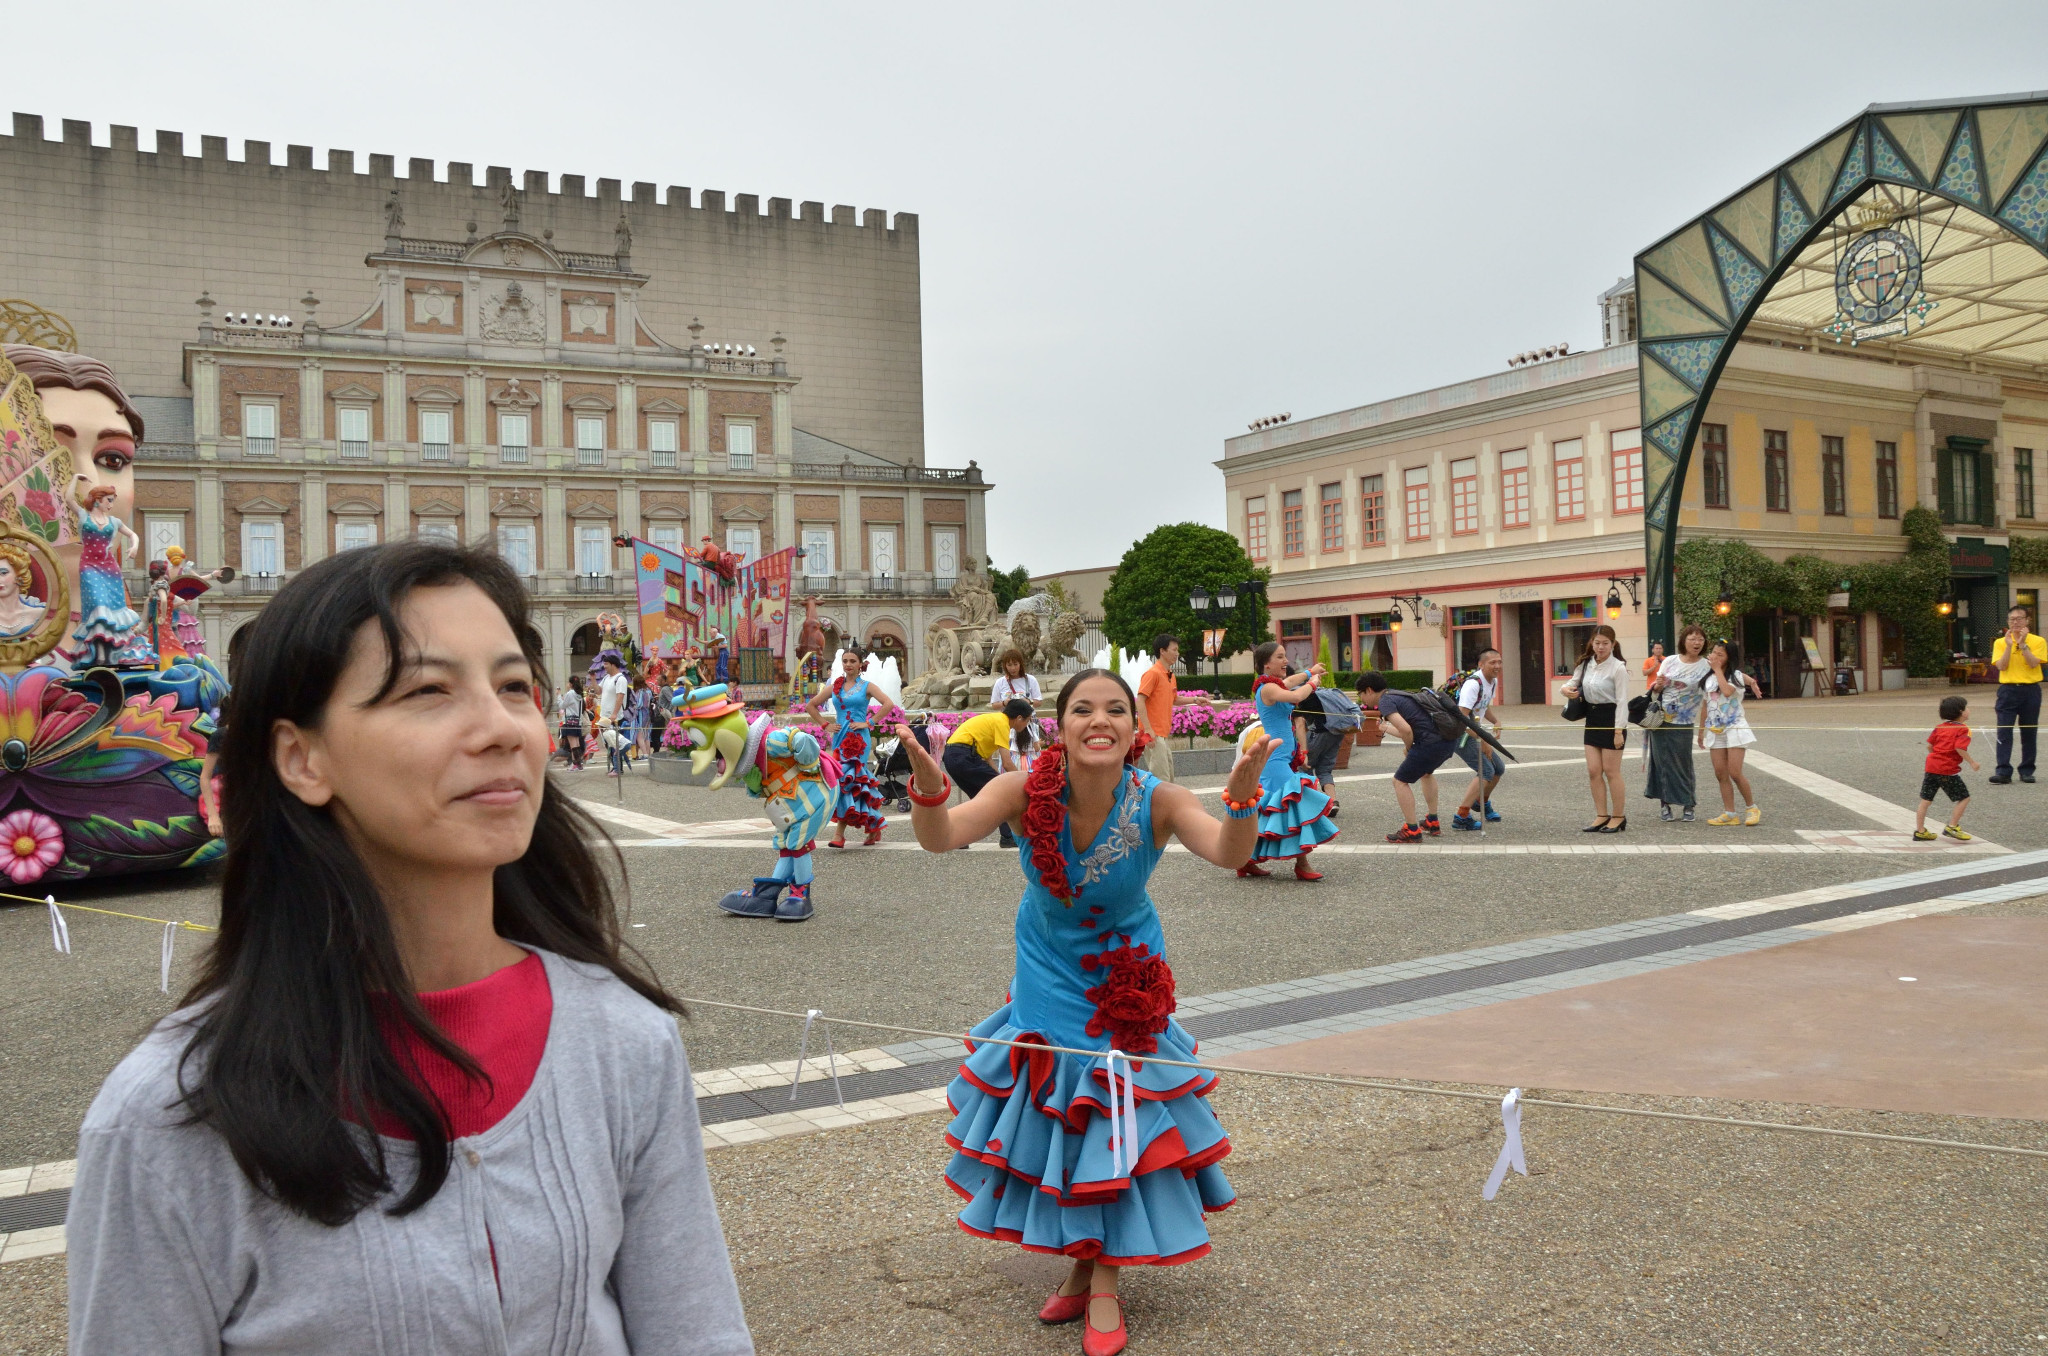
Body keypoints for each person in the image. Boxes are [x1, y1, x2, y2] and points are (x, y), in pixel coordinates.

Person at [68, 538, 751, 1354]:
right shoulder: (170, 1120)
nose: (502, 729)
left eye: (512, 687)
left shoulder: (625, 1041)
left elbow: (698, 1333)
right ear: (301, 757)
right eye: (428, 690)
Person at [897, 668, 1273, 1356]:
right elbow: (939, 837)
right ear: (1059, 725)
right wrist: (925, 786)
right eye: (1082, 710)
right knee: (1065, 1125)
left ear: (1136, 728)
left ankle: (1101, 1280)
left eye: (1114, 711)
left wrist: (1243, 799)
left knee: (1113, 1120)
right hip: (1047, 973)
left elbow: (1226, 852)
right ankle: (1082, 1259)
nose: (1099, 721)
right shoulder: (1019, 788)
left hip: (1125, 980)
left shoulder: (1158, 798)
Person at [1239, 641, 1338, 879]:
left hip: (1281, 756)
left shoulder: (1272, 684)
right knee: (1295, 802)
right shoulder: (1267, 689)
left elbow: (1292, 682)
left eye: (1285, 657)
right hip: (1274, 759)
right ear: (1267, 664)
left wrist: (1309, 672)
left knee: (1269, 810)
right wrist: (1312, 683)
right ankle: (1301, 864)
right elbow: (1296, 696)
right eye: (1280, 657)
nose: (1285, 661)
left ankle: (1246, 860)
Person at [807, 648, 901, 848]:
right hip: (839, 737)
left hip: (859, 738)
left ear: (861, 664)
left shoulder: (867, 686)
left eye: (852, 661)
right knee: (850, 781)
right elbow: (811, 706)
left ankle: (839, 833)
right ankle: (874, 827)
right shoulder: (835, 686)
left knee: (848, 781)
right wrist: (825, 725)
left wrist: (870, 723)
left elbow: (888, 703)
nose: (848, 664)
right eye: (845, 661)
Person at [1358, 670, 1459, 843]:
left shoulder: (1385, 701)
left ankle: (1412, 830)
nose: (1362, 701)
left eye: (1361, 696)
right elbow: (1413, 727)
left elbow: (1406, 730)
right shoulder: (1399, 694)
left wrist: (1408, 748)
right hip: (1448, 740)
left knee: (1400, 781)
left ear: (1368, 690)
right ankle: (1432, 821)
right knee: (1426, 773)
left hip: (1429, 744)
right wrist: (1386, 729)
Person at [1559, 623, 1630, 833]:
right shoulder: (1586, 663)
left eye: (1605, 644)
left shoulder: (1618, 667)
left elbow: (1623, 701)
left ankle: (1618, 816)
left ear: (1613, 644)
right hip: (1592, 717)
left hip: (1611, 718)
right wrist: (1566, 691)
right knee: (1593, 771)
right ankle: (1601, 814)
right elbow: (1570, 683)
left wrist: (1619, 731)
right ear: (1592, 643)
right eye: (1597, 643)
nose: (1600, 647)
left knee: (1611, 771)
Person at [70, 475, 143, 668]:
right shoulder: (84, 516)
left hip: (109, 568)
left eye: (113, 501)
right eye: (109, 500)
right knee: (98, 605)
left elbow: (132, 534)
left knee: (111, 611)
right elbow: (69, 499)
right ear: (97, 499)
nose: (111, 504)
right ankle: (99, 652)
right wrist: (75, 479)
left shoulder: (115, 522)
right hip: (89, 567)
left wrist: (134, 545)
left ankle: (111, 652)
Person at [944, 699, 1036, 849]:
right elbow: (1007, 763)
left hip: (955, 756)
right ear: (1019, 718)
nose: (1026, 725)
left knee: (980, 801)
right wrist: (1027, 780)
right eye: (1027, 721)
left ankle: (958, 838)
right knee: (1003, 794)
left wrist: (998, 779)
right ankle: (1007, 837)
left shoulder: (994, 720)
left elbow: (987, 759)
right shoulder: (1002, 723)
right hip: (964, 756)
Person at [1645, 624, 1711, 822]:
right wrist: (1657, 686)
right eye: (1692, 638)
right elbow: (1656, 691)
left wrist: (1701, 731)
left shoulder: (1706, 665)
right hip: (1660, 718)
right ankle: (1664, 804)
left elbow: (1708, 699)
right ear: (1683, 641)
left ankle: (1688, 803)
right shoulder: (1670, 661)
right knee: (1661, 763)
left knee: (1683, 763)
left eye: (1700, 639)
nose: (1696, 643)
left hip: (1684, 720)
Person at [1698, 638, 1764, 826]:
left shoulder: (1736, 676)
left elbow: (1727, 692)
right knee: (1720, 773)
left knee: (1735, 772)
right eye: (1714, 653)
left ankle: (1752, 807)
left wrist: (1718, 669)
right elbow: (1705, 705)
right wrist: (1701, 731)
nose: (1715, 657)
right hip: (1715, 728)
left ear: (1729, 657)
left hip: (1735, 727)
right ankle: (1730, 812)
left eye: (1721, 654)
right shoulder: (1708, 678)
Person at [1449, 649, 1507, 831]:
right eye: (1492, 663)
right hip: (1461, 734)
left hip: (1474, 731)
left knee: (1498, 768)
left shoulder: (1493, 682)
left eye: (1499, 662)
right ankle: (1461, 816)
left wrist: (1495, 720)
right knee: (1486, 772)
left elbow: (1483, 705)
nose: (1497, 666)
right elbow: (1462, 718)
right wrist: (1484, 740)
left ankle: (1481, 802)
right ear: (1481, 665)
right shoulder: (1473, 684)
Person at [1135, 634, 1203, 784]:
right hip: (1153, 733)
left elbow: (1175, 699)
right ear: (1162, 651)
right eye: (1174, 650)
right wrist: (1147, 729)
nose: (1177, 654)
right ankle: (1160, 807)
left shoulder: (1170, 676)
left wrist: (1196, 700)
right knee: (1161, 780)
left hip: (1162, 734)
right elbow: (1140, 700)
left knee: (1168, 778)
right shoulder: (1153, 674)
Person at [1989, 604, 2045, 785]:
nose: (2015, 623)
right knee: (2004, 730)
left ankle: (2027, 770)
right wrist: (2008, 646)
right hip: (2008, 689)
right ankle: (2003, 770)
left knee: (2029, 731)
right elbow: (2001, 666)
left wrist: (2022, 644)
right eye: (2012, 619)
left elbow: (2034, 663)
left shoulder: (2038, 641)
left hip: (2030, 689)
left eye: (2019, 619)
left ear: (2027, 621)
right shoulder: (2000, 642)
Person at [1916, 694, 1981, 841]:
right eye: (1966, 707)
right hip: (1947, 770)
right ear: (1961, 712)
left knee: (1926, 800)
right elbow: (1960, 747)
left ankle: (1920, 830)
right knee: (1964, 798)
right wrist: (1972, 762)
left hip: (1931, 767)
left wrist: (1937, 757)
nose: (1969, 710)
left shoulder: (1939, 728)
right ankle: (1952, 826)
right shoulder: (1963, 730)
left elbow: (1930, 746)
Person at [597, 651, 631, 776]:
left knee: (615, 742)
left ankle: (618, 768)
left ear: (613, 664)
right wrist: (593, 680)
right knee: (609, 743)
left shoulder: (620, 679)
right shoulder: (606, 678)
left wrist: (614, 714)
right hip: (604, 716)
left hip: (615, 716)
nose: (604, 666)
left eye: (606, 664)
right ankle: (615, 767)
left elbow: (620, 697)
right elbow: (598, 691)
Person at [557, 673, 588, 770]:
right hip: (577, 721)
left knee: (573, 744)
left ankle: (575, 764)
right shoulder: (579, 694)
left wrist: (558, 696)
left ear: (570, 684)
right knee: (576, 743)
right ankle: (578, 764)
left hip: (570, 720)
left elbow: (562, 706)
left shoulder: (570, 693)